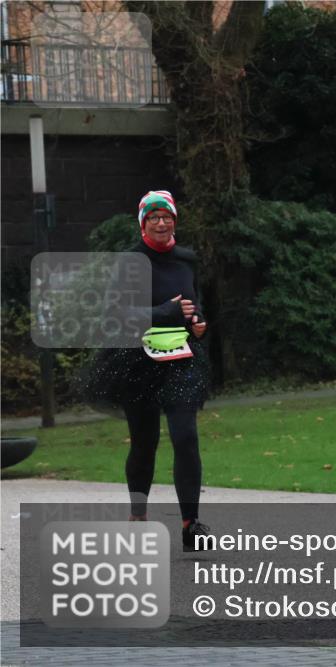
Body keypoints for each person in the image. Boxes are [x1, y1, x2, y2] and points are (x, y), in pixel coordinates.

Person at [81, 190, 212, 551]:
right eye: (153, 217)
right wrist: (163, 313)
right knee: (145, 442)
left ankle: (191, 524)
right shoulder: (130, 263)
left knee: (185, 436)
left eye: (166, 216)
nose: (161, 222)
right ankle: (138, 515)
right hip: (136, 361)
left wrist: (198, 323)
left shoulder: (186, 260)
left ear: (174, 220)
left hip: (181, 360)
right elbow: (115, 315)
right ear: (143, 222)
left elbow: (193, 303)